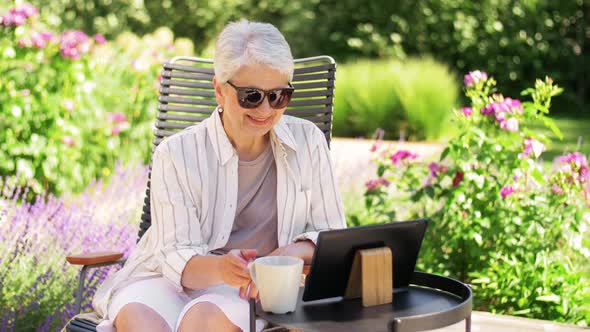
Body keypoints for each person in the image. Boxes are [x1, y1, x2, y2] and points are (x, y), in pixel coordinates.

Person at [91, 19, 345, 332]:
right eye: (251, 96)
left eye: (279, 96)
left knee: (204, 322)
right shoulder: (175, 153)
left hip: (250, 288)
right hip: (167, 279)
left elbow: (331, 235)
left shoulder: (308, 142)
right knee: (137, 318)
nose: (265, 110)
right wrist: (221, 268)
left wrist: (283, 257)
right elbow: (174, 255)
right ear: (219, 91)